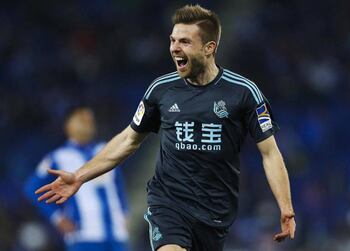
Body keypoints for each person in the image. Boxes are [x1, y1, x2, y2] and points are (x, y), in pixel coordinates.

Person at [35, 5, 296, 251]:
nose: (174, 48)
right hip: (168, 203)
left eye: (184, 42)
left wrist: (286, 208)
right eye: (173, 40)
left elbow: (270, 153)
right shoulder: (161, 90)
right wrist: (80, 175)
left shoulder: (244, 93)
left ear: (209, 48)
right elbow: (128, 139)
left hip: (216, 212)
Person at [25, 107, 130, 251]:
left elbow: (117, 184)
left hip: (117, 235)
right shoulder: (58, 157)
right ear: (68, 125)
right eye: (82, 119)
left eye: (90, 120)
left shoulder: (105, 150)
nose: (87, 124)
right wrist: (56, 218)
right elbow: (32, 187)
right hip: (83, 236)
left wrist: (124, 212)